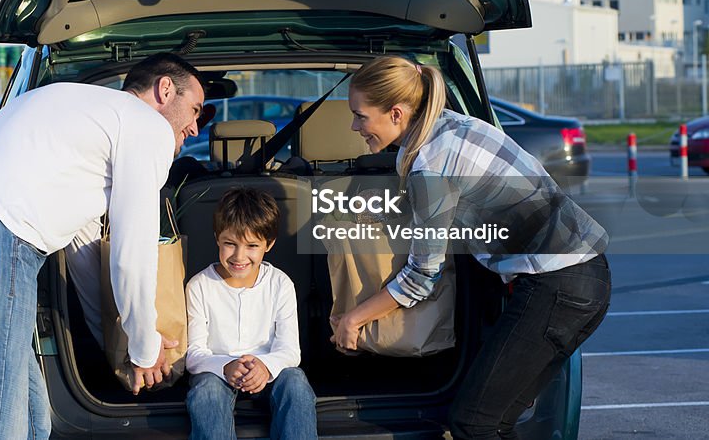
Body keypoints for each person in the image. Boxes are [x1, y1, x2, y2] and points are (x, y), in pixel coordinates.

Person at [0, 52, 205, 440]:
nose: (195, 127)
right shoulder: (146, 125)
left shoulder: (81, 113)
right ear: (165, 89)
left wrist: (114, 347)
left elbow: (85, 254)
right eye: (195, 109)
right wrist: (143, 347)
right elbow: (132, 253)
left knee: (32, 417)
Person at [332, 56, 610, 440]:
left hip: (557, 286)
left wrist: (353, 319)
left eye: (360, 116)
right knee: (495, 422)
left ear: (395, 113)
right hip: (581, 277)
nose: (354, 125)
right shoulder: (449, 126)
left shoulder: (429, 163)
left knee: (473, 423)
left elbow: (421, 277)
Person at [185, 187, 318, 440]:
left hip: (270, 372)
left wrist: (265, 367)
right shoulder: (199, 286)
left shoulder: (280, 284)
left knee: (296, 383)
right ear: (217, 239)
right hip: (218, 373)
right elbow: (194, 355)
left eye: (252, 246)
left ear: (269, 244)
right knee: (207, 393)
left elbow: (290, 351)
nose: (239, 256)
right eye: (230, 244)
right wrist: (225, 365)